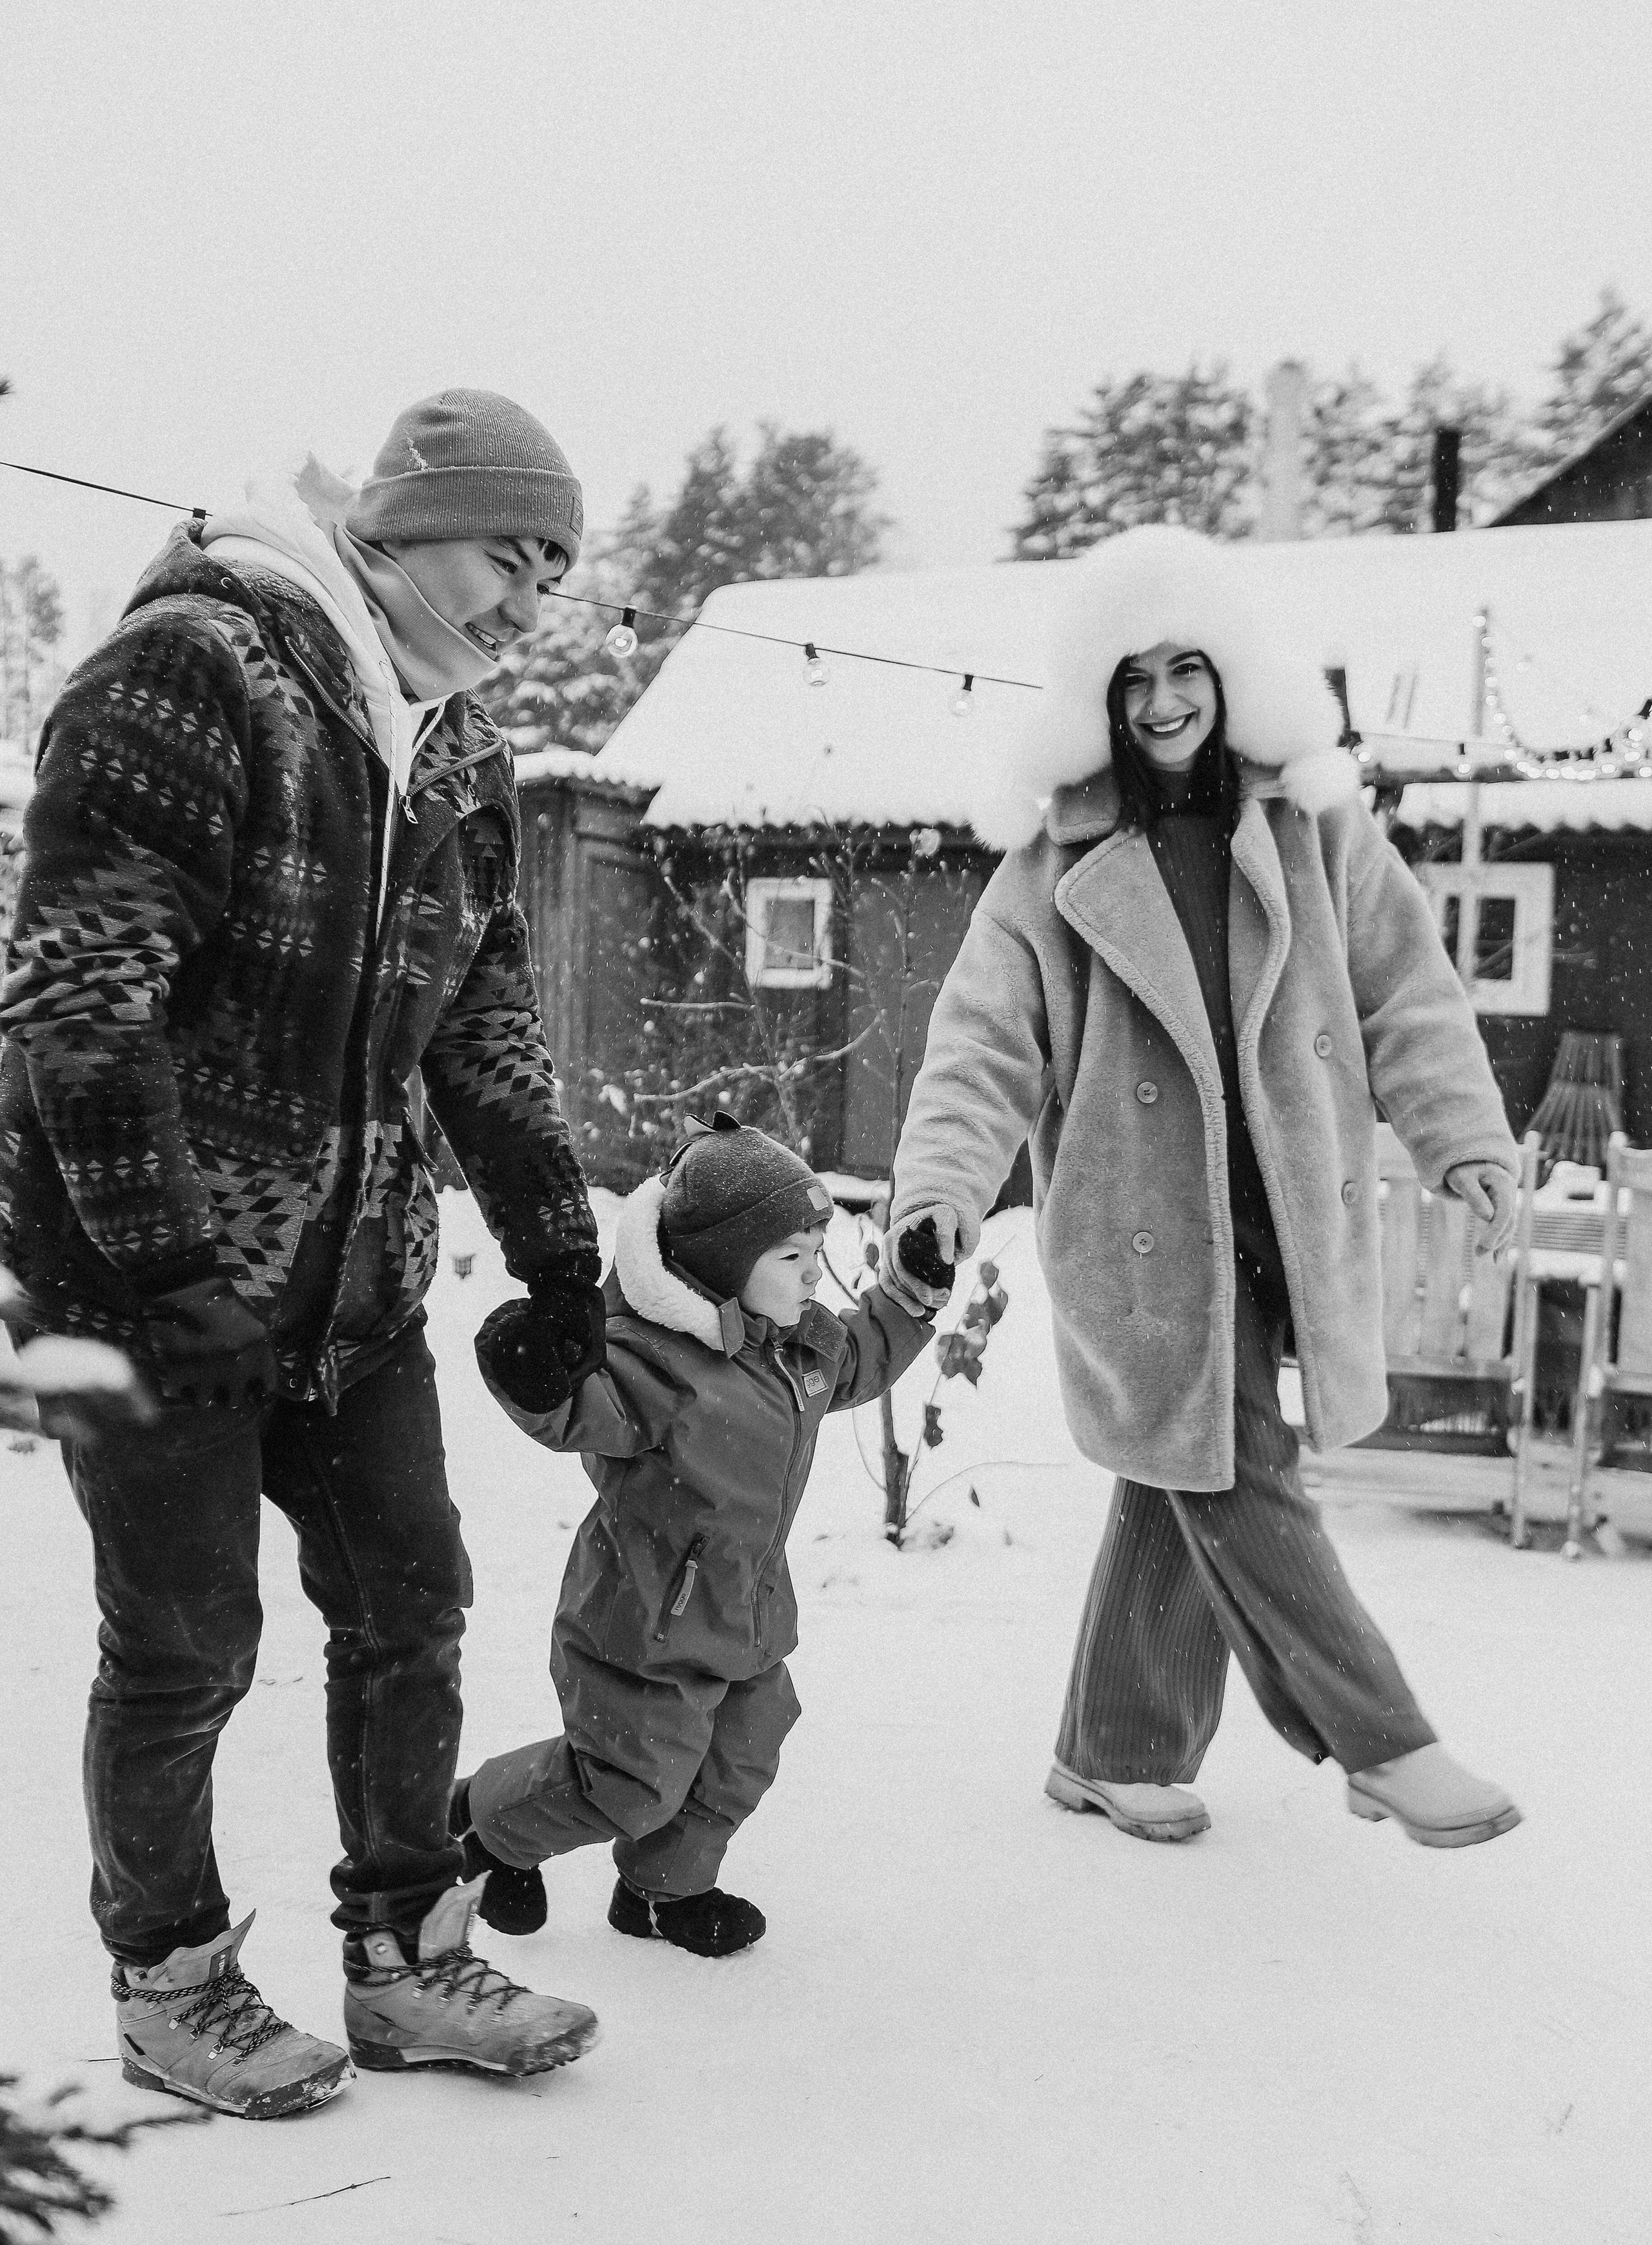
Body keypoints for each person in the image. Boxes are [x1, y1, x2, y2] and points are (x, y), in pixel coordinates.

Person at [0, 390, 609, 2116]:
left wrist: (561, 1253)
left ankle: (407, 1960)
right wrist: (167, 1264)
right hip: (153, 1294)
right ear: (406, 527)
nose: (526, 606)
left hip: (354, 1291)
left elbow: (480, 1031)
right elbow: (75, 1000)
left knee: (411, 1603)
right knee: (186, 1642)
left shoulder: (462, 755)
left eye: (554, 578)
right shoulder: (197, 675)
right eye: (512, 556)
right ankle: (172, 1974)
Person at [881, 525, 1523, 1852]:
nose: (1163, 701)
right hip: (1141, 1239)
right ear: (1095, 701)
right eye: (1132, 679)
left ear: (1229, 676)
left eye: (1186, 668)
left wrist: (1462, 1137)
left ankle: (1109, 1749)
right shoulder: (1050, 871)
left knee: (1183, 1468)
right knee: (1240, 1468)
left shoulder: (1310, 832)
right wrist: (939, 1187)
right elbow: (980, 1044)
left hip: (1289, 1217)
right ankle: (1381, 1738)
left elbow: (1406, 988)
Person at [454, 1113, 937, 1956]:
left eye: (816, 1253)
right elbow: (579, 1409)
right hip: (642, 1625)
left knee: (741, 1752)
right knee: (630, 1783)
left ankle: (661, 1891)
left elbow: (860, 1357)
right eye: (790, 1258)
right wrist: (533, 1372)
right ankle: (482, 1824)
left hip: (744, 1619)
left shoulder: (801, 1345)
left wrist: (913, 1293)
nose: (814, 1274)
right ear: (722, 1263)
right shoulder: (655, 1361)